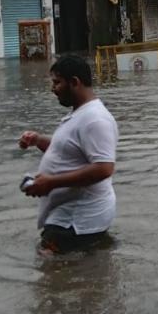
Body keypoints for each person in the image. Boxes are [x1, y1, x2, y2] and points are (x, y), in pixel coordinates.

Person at [18, 56, 118, 253]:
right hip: (69, 216)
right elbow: (66, 151)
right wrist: (38, 140)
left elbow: (104, 168)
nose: (53, 89)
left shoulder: (95, 119)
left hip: (77, 220)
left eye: (57, 82)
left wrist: (50, 183)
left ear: (74, 82)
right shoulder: (80, 114)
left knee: (50, 275)